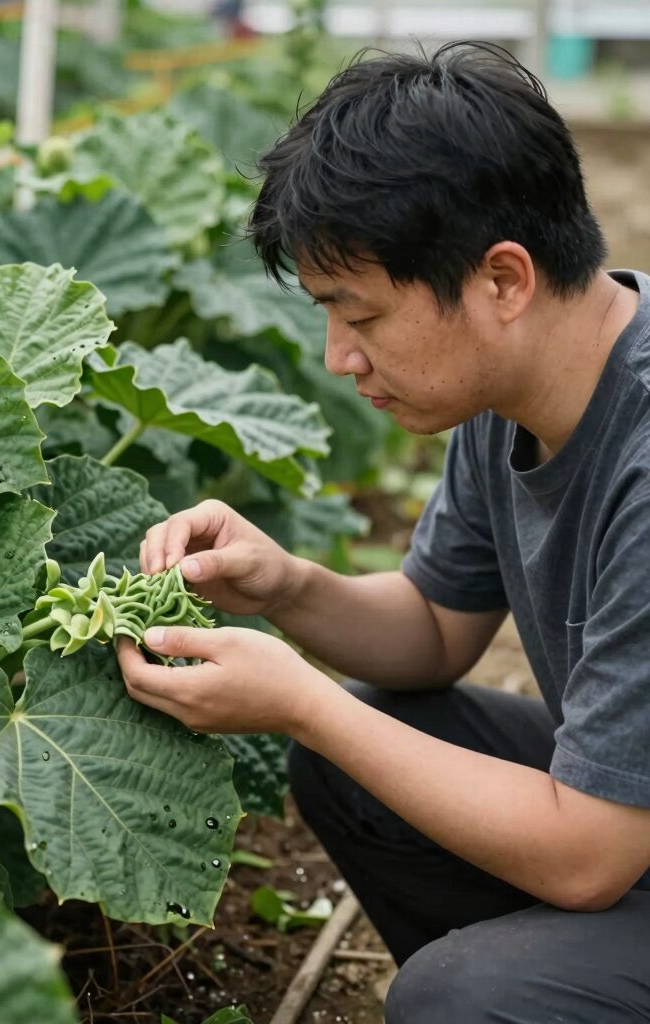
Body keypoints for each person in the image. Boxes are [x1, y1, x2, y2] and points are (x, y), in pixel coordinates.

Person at [115, 41, 650, 1022]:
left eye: (355, 313)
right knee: (365, 750)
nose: (337, 357)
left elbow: (589, 853)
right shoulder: (514, 383)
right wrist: (283, 586)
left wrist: (302, 703)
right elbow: (433, 633)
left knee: (458, 997)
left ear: (502, 280)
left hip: (615, 838)